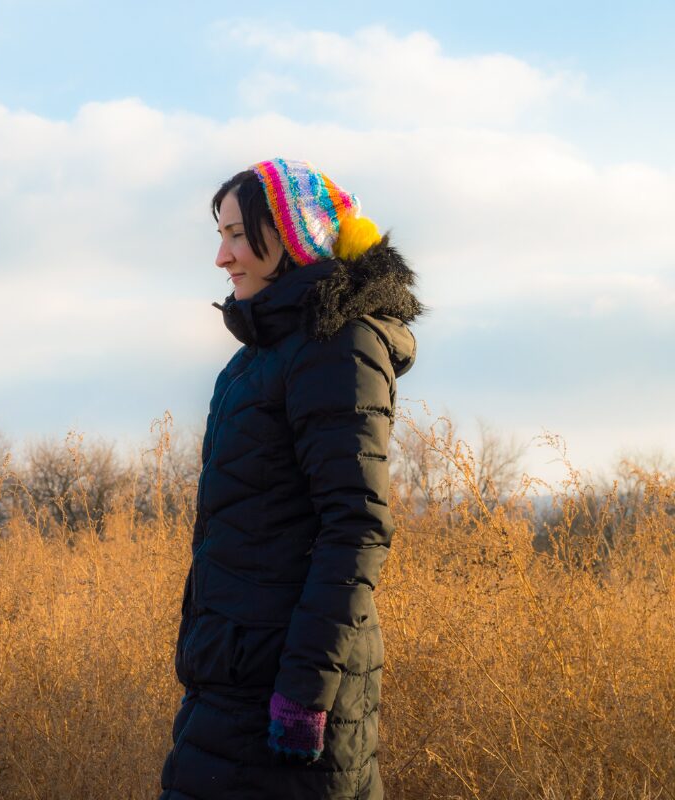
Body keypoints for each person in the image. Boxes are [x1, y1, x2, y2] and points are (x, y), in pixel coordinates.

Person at [159, 158, 422, 799]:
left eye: (238, 235)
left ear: (293, 234)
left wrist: (302, 697)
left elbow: (355, 528)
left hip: (287, 697)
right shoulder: (262, 356)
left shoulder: (337, 346)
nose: (222, 257)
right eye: (219, 235)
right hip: (233, 681)